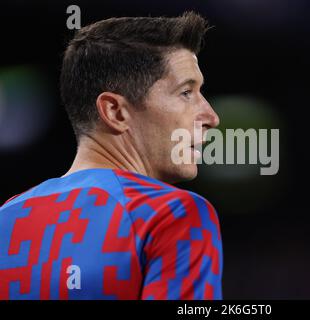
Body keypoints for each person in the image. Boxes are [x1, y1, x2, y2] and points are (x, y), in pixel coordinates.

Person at [0, 11, 223, 300]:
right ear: (116, 112)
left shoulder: (6, 219)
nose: (211, 116)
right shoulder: (172, 214)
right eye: (185, 92)